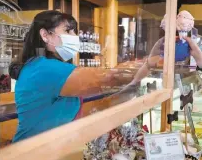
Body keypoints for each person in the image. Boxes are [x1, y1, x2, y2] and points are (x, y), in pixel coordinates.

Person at [9, 10, 120, 143]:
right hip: (33, 156)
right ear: (45, 35)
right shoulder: (44, 68)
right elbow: (106, 79)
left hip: (44, 151)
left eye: (74, 32)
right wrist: (146, 65)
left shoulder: (43, 65)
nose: (75, 37)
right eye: (68, 31)